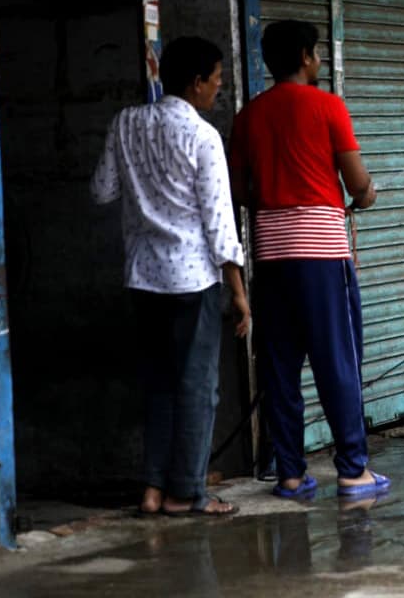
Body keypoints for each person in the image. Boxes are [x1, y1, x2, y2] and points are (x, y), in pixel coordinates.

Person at [228, 19, 386, 498]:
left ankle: (291, 474)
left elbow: (235, 192)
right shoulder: (328, 106)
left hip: (270, 256)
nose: (319, 61)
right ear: (303, 56)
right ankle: (353, 470)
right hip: (321, 255)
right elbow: (357, 183)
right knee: (337, 361)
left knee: (279, 365)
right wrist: (366, 194)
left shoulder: (248, 117)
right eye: (316, 53)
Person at [91, 36, 249, 516]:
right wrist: (240, 293)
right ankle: (187, 493)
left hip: (143, 278)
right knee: (197, 386)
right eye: (217, 81)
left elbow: (102, 190)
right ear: (196, 82)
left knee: (158, 383)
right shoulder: (203, 137)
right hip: (192, 282)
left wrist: (144, 196)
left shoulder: (125, 123)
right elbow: (221, 227)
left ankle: (154, 489)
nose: (218, 90)